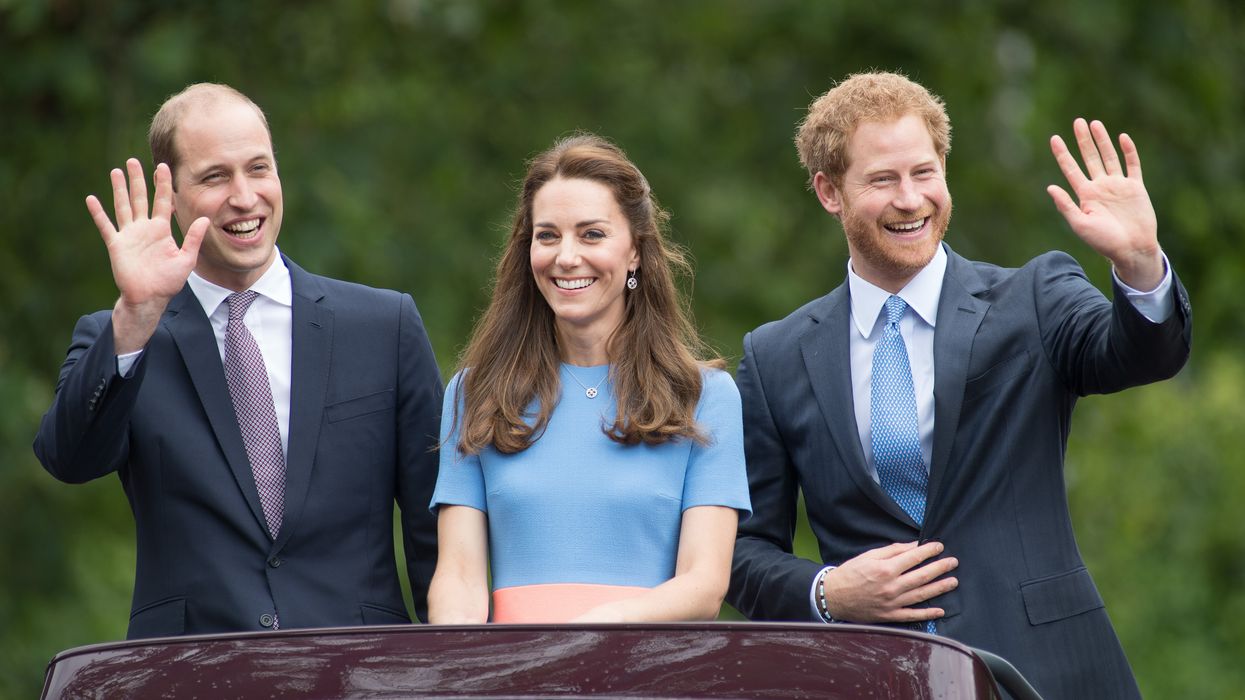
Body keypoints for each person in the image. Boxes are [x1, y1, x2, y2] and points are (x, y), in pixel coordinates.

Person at [727, 72, 1190, 698]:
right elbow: (743, 552)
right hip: (872, 677)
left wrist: (1139, 264)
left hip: (1049, 672)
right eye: (883, 180)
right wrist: (827, 592)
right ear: (829, 191)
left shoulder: (1034, 296)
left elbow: (1140, 356)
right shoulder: (775, 355)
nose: (910, 199)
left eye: (924, 173)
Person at [33, 83, 444, 638]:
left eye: (258, 169)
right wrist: (136, 313)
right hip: (190, 674)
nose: (245, 196)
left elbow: (435, 538)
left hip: (358, 671)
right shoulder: (123, 334)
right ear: (170, 195)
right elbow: (68, 458)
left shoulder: (384, 327)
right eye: (214, 177)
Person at [427, 134, 750, 623]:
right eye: (548, 235)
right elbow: (459, 576)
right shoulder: (475, 393)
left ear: (636, 251)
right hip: (511, 679)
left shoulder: (705, 397)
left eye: (592, 234)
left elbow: (704, 585)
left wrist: (589, 636)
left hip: (647, 675)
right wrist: (464, 666)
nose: (566, 256)